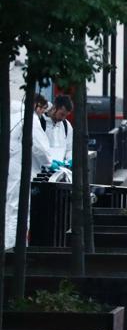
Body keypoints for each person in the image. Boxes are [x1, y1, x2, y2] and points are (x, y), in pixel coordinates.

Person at [6, 95, 49, 250]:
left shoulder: (12, 116)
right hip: (20, 168)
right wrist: (49, 162)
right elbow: (41, 149)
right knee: (18, 209)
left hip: (9, 166)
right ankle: (15, 248)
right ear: (37, 105)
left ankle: (7, 246)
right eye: (43, 109)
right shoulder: (30, 119)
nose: (43, 113)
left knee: (8, 208)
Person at [44, 95, 74, 167]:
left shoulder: (66, 125)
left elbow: (70, 148)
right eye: (62, 114)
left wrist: (70, 159)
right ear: (54, 107)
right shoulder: (41, 122)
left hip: (60, 169)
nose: (63, 118)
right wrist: (48, 163)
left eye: (65, 116)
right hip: (41, 170)